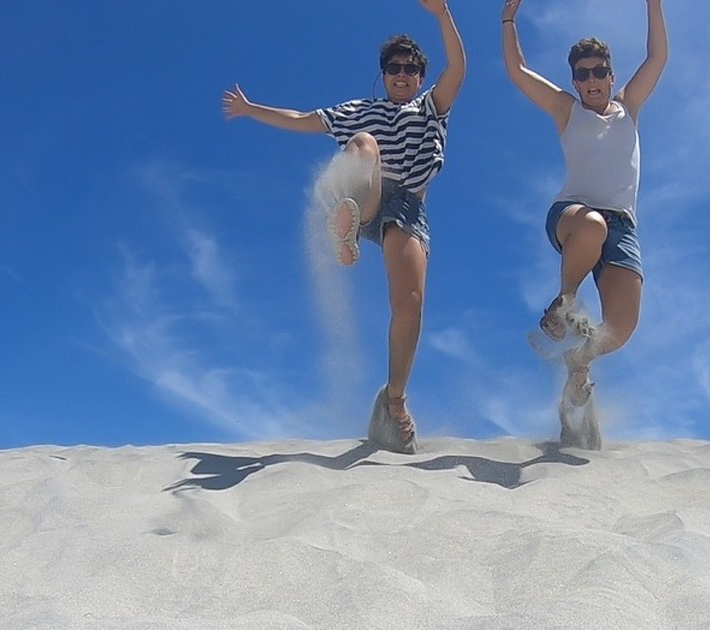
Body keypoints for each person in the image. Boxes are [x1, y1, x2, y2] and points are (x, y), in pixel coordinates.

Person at [223, 0, 465, 454]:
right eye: (394, 67)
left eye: (411, 68)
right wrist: (253, 109)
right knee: (364, 143)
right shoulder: (361, 109)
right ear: (383, 72)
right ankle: (349, 221)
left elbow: (458, 69)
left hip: (407, 211)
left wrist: (442, 14)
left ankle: (394, 400)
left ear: (419, 76)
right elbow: (303, 120)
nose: (402, 73)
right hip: (369, 192)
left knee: (409, 305)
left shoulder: (432, 108)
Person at [501, 0, 668, 444]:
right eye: (582, 74)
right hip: (573, 217)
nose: (591, 80)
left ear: (611, 77)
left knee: (621, 327)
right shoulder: (566, 110)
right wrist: (508, 19)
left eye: (598, 72)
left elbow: (658, 58)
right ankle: (566, 301)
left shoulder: (629, 107)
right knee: (591, 225)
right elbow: (517, 70)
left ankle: (580, 361)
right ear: (574, 81)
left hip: (623, 228)